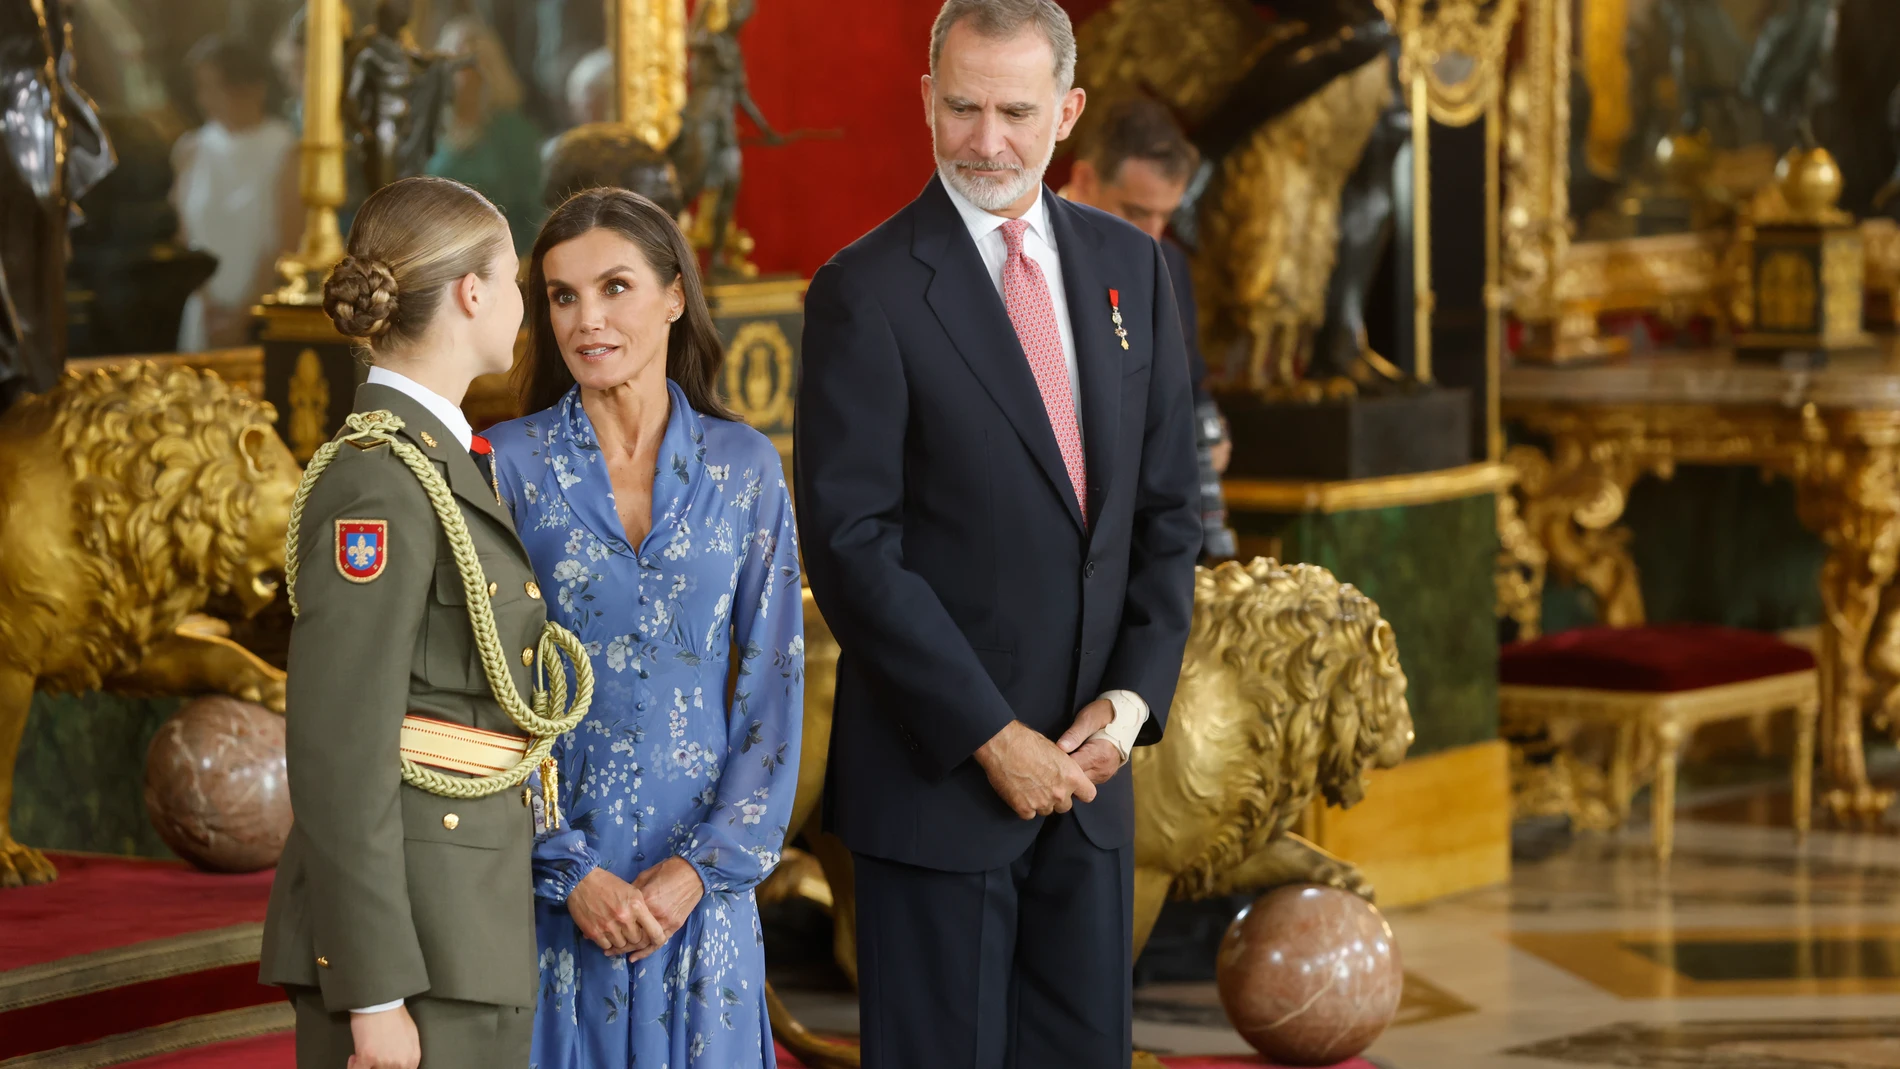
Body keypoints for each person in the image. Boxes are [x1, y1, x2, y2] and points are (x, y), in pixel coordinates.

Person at [794, 1, 1202, 1065]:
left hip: (1093, 788)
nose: (986, 139)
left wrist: (1125, 708)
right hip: (937, 790)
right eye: (962, 106)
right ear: (925, 99)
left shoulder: (1134, 270)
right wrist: (991, 735)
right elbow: (849, 541)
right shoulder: (864, 289)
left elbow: (1166, 514)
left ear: (1065, 112)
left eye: (1014, 111)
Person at [260, 175, 594, 1069]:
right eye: (514, 278)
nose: (523, 302)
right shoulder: (378, 477)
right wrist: (371, 993)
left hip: (461, 919)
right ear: (471, 293)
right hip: (412, 951)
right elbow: (338, 748)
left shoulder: (437, 459)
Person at [486, 187, 804, 1069]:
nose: (587, 318)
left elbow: (775, 689)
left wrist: (701, 870)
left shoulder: (744, 468)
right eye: (562, 295)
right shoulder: (505, 464)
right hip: (552, 895)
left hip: (699, 899)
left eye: (615, 287)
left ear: (674, 295)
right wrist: (565, 867)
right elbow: (482, 694)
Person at [1063, 95, 1237, 559]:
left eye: (1167, 215)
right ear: (1084, 179)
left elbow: (1190, 379)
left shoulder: (1170, 264)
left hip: (1155, 529)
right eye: (1138, 212)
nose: (1154, 234)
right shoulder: (1022, 259)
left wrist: (1209, 427)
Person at [172, 35, 300, 350]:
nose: (205, 99)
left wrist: (243, 316)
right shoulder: (191, 149)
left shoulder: (284, 148)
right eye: (201, 87)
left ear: (252, 88)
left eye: (216, 87)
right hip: (204, 312)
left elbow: (287, 241)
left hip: (263, 314)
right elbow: (184, 238)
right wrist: (207, 303)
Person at [427, 17, 545, 255]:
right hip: (436, 254)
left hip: (500, 254)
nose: (464, 76)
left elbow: (530, 212)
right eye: (456, 64)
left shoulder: (514, 132)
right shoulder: (428, 126)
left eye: (471, 65)